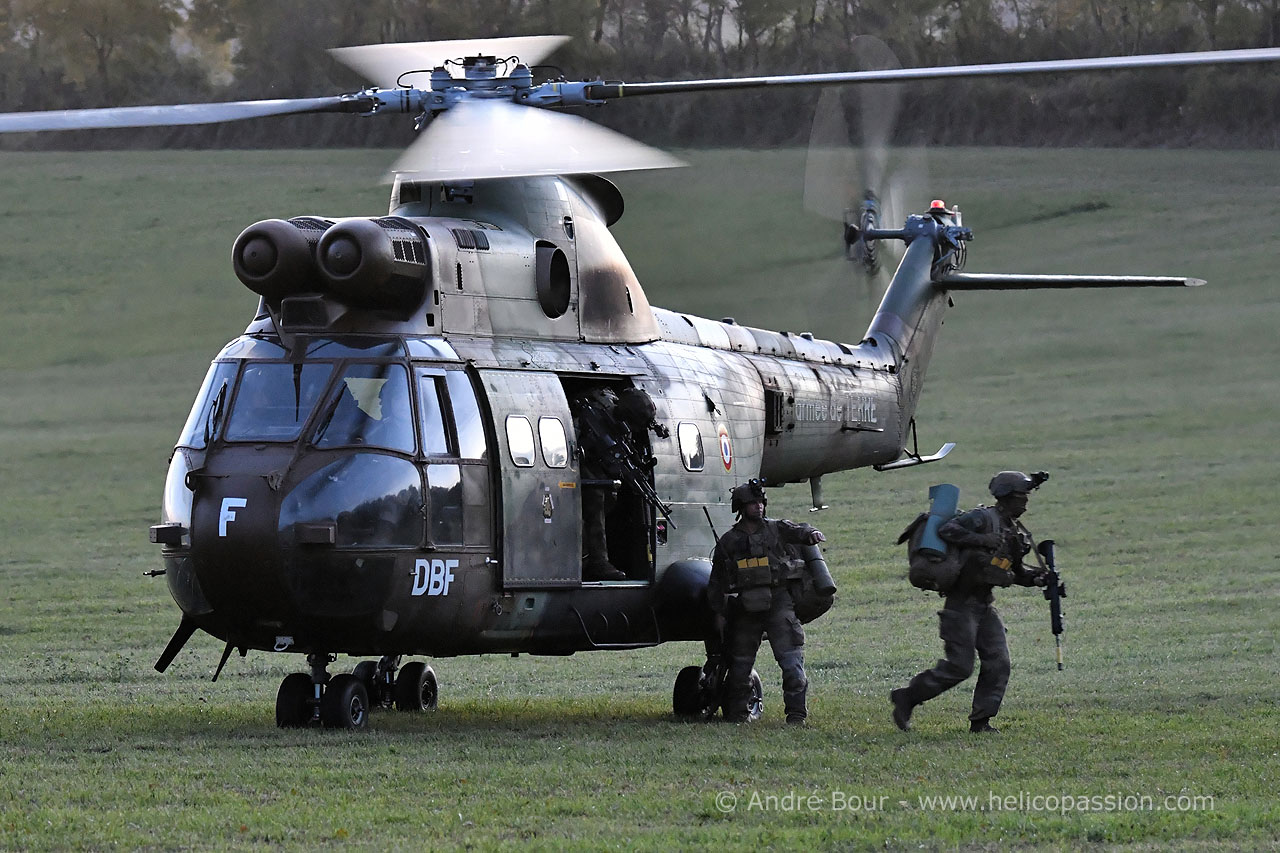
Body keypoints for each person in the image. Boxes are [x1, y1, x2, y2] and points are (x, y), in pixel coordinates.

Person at [890, 471, 1049, 733]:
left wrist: (1038, 579)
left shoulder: (1014, 532)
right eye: (1021, 497)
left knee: (999, 663)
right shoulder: (983, 518)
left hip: (985, 606)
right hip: (961, 604)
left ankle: (981, 721)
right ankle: (908, 696)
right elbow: (947, 529)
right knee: (959, 667)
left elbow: (1015, 572)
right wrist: (982, 539)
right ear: (1006, 497)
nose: (1025, 504)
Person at [708, 480, 826, 724]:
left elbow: (798, 530)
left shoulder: (776, 528)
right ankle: (738, 714)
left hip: (779, 603)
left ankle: (796, 715)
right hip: (745, 609)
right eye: (752, 503)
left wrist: (810, 533)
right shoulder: (729, 541)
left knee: (793, 664)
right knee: (739, 669)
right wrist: (719, 613)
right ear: (741, 507)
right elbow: (717, 581)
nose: (758, 507)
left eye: (761, 502)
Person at [572, 385, 665, 581]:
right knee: (595, 497)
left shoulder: (618, 426)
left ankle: (587, 554)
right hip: (577, 466)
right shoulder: (594, 413)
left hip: (596, 466)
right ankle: (597, 562)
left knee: (608, 497)